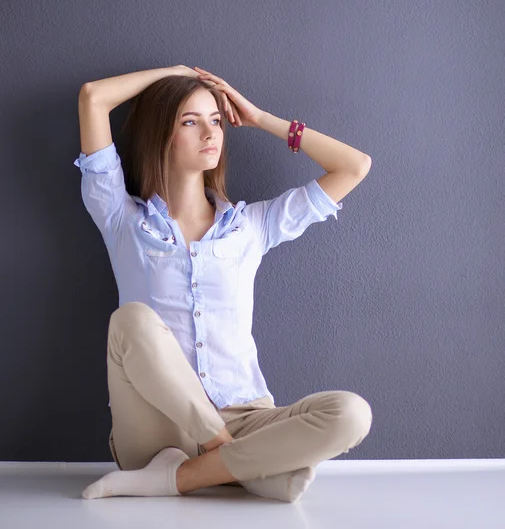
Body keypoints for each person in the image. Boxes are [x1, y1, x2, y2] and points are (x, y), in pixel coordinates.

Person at [75, 64, 373, 503]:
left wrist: (258, 118)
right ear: (161, 134)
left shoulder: (251, 227)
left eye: (215, 120)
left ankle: (179, 478)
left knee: (351, 414)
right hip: (156, 423)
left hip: (245, 415)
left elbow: (354, 166)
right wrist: (174, 72)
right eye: (190, 122)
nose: (210, 133)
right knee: (132, 320)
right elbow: (92, 98)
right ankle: (239, 465)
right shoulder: (122, 219)